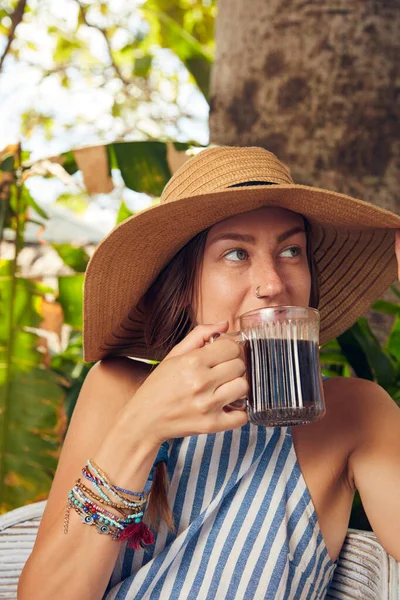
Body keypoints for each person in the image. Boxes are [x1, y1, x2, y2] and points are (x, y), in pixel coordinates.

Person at [18, 146, 400, 600]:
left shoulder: (352, 413)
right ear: (186, 284)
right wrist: (140, 428)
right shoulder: (117, 388)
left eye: (291, 250)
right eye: (236, 253)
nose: (274, 282)